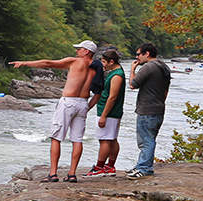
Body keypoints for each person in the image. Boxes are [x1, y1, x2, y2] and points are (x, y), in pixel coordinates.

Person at [11, 40, 99, 183]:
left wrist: (25, 63)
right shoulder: (97, 68)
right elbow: (98, 92)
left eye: (79, 49)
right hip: (83, 103)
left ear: (87, 51)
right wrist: (87, 107)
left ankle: (53, 174)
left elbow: (48, 63)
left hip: (68, 102)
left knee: (56, 137)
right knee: (77, 139)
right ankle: (72, 174)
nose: (77, 51)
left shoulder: (75, 62)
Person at [127, 42, 171, 180]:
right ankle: (142, 165)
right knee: (150, 138)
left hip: (147, 109)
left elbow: (133, 84)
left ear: (147, 54)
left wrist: (132, 69)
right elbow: (165, 91)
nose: (137, 57)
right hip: (159, 108)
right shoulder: (164, 67)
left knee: (145, 140)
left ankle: (144, 168)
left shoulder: (149, 67)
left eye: (139, 54)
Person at [85, 50, 125, 177]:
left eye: (104, 61)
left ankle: (100, 167)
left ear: (111, 61)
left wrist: (103, 115)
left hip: (109, 112)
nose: (102, 64)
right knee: (111, 139)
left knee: (105, 139)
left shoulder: (117, 76)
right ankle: (110, 166)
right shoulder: (114, 72)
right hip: (111, 112)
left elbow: (112, 97)